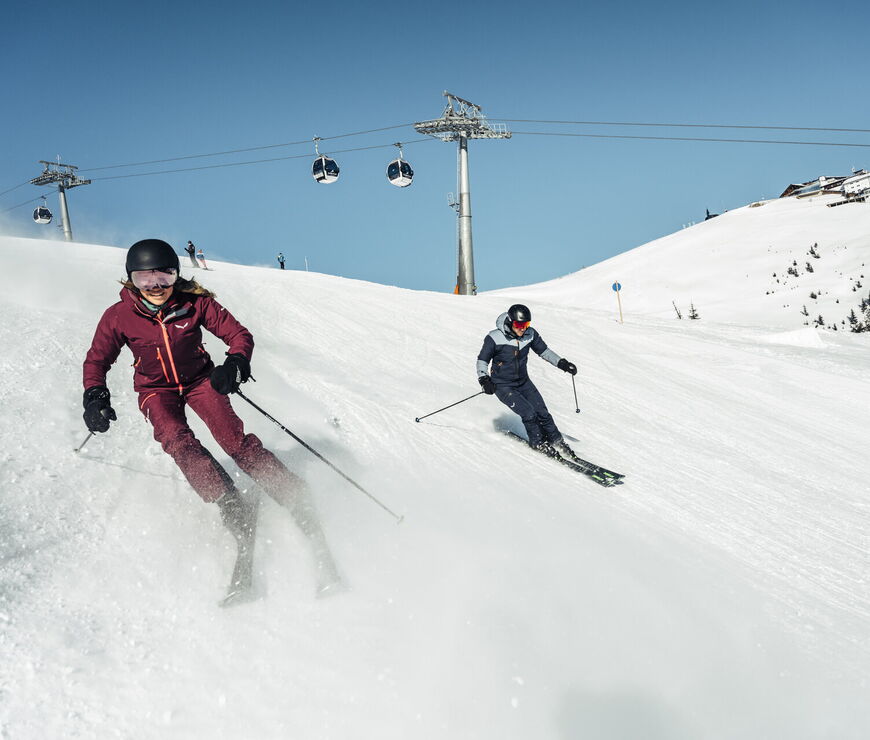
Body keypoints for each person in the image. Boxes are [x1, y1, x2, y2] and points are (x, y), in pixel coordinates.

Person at [81, 238, 338, 593]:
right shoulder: (119, 316)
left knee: (235, 441)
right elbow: (97, 360)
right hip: (156, 390)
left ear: (176, 275)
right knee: (177, 441)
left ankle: (293, 494)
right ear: (131, 280)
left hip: (201, 380)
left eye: (164, 277)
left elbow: (238, 335)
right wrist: (94, 395)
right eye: (144, 279)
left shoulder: (196, 302)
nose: (155, 287)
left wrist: (235, 363)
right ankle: (231, 503)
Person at [476, 304, 579, 457]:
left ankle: (557, 441)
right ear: (510, 322)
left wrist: (562, 363)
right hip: (503, 386)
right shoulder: (494, 338)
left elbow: (544, 351)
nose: (523, 328)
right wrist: (484, 379)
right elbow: (482, 360)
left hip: (523, 382)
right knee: (529, 414)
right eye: (519, 325)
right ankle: (537, 442)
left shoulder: (530, 334)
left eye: (526, 324)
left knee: (542, 412)